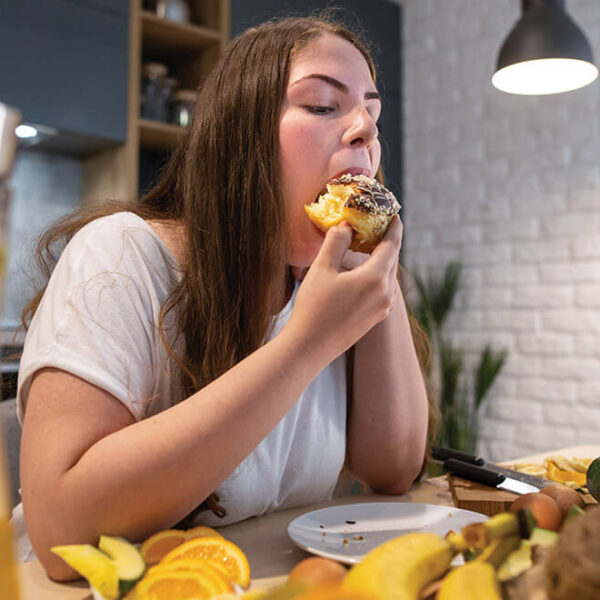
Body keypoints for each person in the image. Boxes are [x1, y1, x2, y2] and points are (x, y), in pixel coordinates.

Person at [13, 15, 432, 580]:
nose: (365, 131)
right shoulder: (119, 257)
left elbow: (393, 469)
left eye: (372, 115)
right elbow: (62, 531)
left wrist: (376, 263)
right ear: (241, 135)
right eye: (323, 106)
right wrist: (306, 343)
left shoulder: (331, 284)